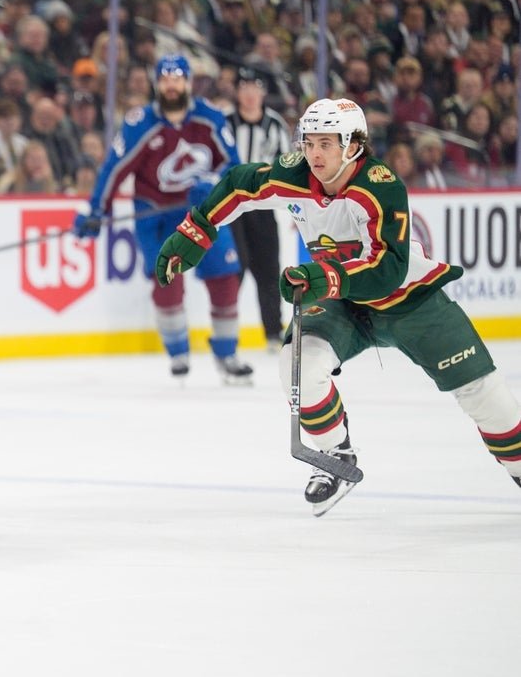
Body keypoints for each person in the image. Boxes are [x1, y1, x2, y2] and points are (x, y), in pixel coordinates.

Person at [155, 97, 521, 515]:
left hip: (409, 300)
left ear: (353, 145)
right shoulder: (295, 174)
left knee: (486, 398)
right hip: (342, 301)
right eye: (309, 142)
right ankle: (335, 456)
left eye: (326, 143)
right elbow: (240, 184)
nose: (314, 153)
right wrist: (197, 230)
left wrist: (325, 276)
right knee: (297, 365)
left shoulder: (380, 186)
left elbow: (389, 268)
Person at [73, 53, 253, 384]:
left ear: (188, 83)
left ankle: (227, 354)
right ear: (157, 84)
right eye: (165, 80)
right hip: (156, 215)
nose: (171, 86)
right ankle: (178, 350)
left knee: (225, 278)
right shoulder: (139, 123)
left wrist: (213, 184)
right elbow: (114, 168)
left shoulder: (210, 117)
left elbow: (234, 165)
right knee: (167, 281)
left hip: (203, 214)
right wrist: (96, 209)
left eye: (177, 79)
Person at [225, 67, 292, 351]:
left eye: (255, 87)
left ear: (263, 92)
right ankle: (226, 331)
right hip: (230, 207)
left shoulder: (275, 124)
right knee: (233, 268)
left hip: (263, 207)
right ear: (237, 92)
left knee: (268, 269)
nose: (250, 94)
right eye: (244, 87)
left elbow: (288, 166)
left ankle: (273, 333)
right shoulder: (225, 123)